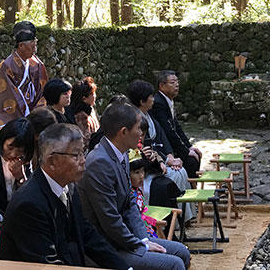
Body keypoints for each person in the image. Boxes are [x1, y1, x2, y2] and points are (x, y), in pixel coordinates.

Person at [78, 101, 190, 270]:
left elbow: (130, 200)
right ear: (123, 132)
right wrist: (139, 245)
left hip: (126, 238)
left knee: (182, 252)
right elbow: (109, 218)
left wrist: (143, 238)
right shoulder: (99, 163)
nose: (141, 133)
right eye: (138, 128)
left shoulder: (120, 153)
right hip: (107, 246)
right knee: (174, 264)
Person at [0, 123, 127, 268]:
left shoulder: (69, 185)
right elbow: (47, 264)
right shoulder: (28, 204)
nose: (83, 160)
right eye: (76, 155)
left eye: (83, 152)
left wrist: (124, 267)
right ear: (52, 161)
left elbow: (87, 234)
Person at [127, 80, 188, 210]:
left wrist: (170, 156)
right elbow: (148, 145)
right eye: (151, 96)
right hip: (147, 167)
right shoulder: (135, 120)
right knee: (175, 175)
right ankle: (175, 217)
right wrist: (164, 160)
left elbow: (162, 137)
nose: (153, 99)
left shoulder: (149, 116)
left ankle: (183, 217)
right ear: (142, 101)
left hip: (157, 159)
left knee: (181, 171)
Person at [0, 21, 49, 126]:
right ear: (21, 46)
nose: (35, 50)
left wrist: (36, 114)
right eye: (32, 47)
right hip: (14, 118)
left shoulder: (37, 64)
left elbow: (43, 92)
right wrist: (26, 115)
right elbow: (7, 96)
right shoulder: (6, 66)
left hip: (35, 116)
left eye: (35, 45)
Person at [149, 71, 201, 178]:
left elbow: (177, 127)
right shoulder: (159, 103)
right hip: (163, 147)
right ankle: (190, 190)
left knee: (195, 154)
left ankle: (192, 186)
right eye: (172, 82)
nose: (176, 85)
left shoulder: (168, 100)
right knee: (191, 160)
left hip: (171, 145)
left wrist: (189, 147)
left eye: (177, 81)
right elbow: (168, 131)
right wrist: (186, 152)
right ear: (162, 86)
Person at [66, 77, 101, 149]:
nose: (95, 96)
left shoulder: (90, 109)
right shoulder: (80, 117)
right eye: (92, 94)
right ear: (84, 98)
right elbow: (85, 142)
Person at [129, 156, 158, 239]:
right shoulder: (126, 194)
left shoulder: (138, 191)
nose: (142, 176)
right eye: (137, 172)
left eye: (143, 171)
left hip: (145, 228)